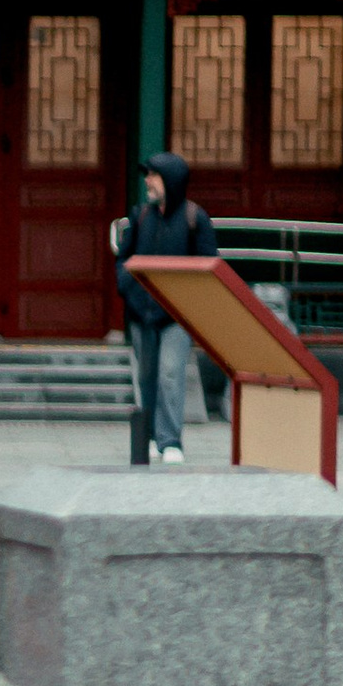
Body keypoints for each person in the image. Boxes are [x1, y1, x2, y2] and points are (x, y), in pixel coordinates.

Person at [113, 150, 218, 464]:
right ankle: (148, 438)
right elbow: (125, 259)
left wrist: (192, 306)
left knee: (170, 374)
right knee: (145, 376)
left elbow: (209, 265)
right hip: (140, 313)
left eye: (153, 175)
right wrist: (126, 288)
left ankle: (170, 440)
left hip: (177, 315)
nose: (148, 181)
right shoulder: (140, 216)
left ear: (170, 180)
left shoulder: (194, 218)